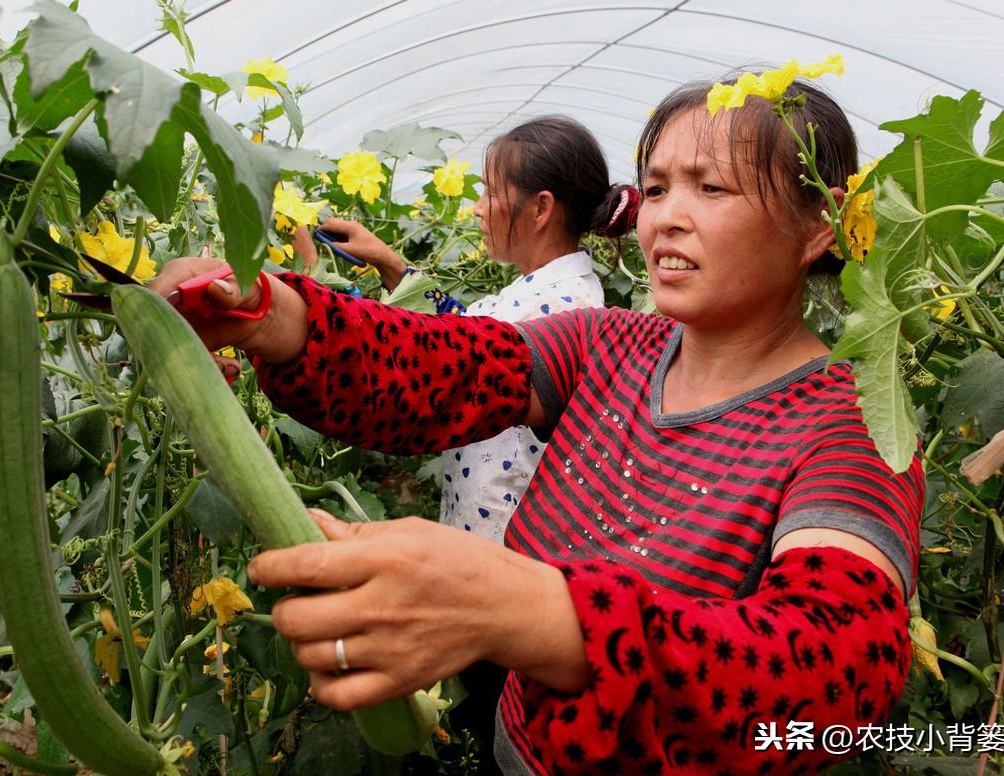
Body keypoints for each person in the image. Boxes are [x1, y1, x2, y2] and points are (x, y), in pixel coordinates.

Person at [152, 77, 923, 774]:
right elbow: (432, 368)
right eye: (655, 189)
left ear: (819, 226)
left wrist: (527, 609)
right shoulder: (608, 341)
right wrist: (267, 312)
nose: (667, 219)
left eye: (711, 187)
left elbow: (833, 671)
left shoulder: (854, 419)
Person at [307, 115, 637, 544]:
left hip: (505, 541)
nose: (479, 207)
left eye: (492, 192)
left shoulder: (560, 306)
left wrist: (316, 291)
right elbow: (464, 331)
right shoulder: (545, 290)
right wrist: (391, 265)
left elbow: (442, 356)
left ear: (540, 208)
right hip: (486, 524)